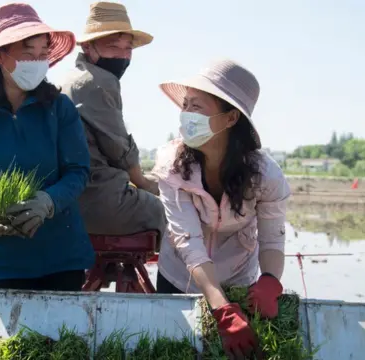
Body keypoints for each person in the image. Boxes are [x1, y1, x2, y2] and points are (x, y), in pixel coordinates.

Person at [0, 3, 95, 292]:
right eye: (28, 53)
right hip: (3, 261)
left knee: (63, 336)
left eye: (42, 54)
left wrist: (48, 201)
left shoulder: (59, 109)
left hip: (62, 257)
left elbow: (78, 171)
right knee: (8, 338)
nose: (37, 62)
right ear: (0, 56)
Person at [151, 59, 290, 359]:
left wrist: (269, 280)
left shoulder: (265, 176)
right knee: (175, 350)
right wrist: (222, 309)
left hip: (238, 276)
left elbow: (272, 239)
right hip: (179, 275)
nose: (186, 114)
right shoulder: (172, 166)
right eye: (185, 104)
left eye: (197, 107)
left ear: (230, 119)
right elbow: (188, 241)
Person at [60, 2, 166, 242]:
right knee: (173, 216)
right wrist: (144, 183)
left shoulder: (70, 79)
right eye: (113, 46)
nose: (123, 55)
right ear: (89, 47)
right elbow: (118, 148)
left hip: (71, 197)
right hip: (98, 197)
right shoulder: (98, 81)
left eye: (128, 48)